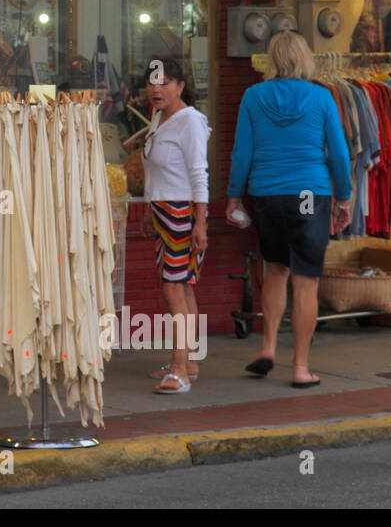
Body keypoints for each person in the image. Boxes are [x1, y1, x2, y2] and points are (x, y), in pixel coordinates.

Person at [227, 30, 352, 389]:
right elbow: (340, 154)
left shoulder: (253, 96)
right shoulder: (322, 97)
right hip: (309, 194)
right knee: (307, 279)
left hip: (266, 194)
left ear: (272, 60)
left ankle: (267, 348)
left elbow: (242, 153)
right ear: (305, 58)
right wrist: (343, 197)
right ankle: (300, 367)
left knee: (276, 269)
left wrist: (235, 197)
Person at [140, 58, 209, 394]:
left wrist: (200, 221)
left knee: (173, 289)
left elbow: (199, 173)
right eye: (152, 81)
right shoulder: (159, 117)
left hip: (181, 211)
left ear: (181, 86)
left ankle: (180, 371)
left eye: (164, 82)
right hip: (162, 210)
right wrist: (146, 210)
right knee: (182, 288)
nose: (156, 88)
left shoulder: (190, 121)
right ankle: (190, 360)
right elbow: (155, 169)